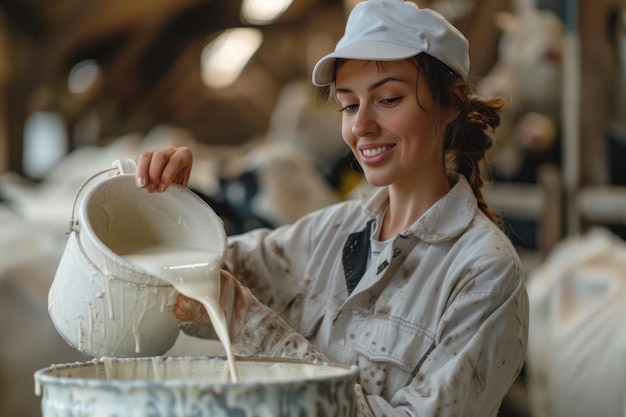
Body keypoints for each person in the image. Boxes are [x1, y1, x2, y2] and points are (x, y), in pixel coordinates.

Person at [133, 0, 529, 415]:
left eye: (389, 99)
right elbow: (195, 280)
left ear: (450, 103)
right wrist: (174, 211)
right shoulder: (330, 232)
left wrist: (243, 319)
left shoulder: (484, 273)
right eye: (349, 104)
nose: (361, 126)